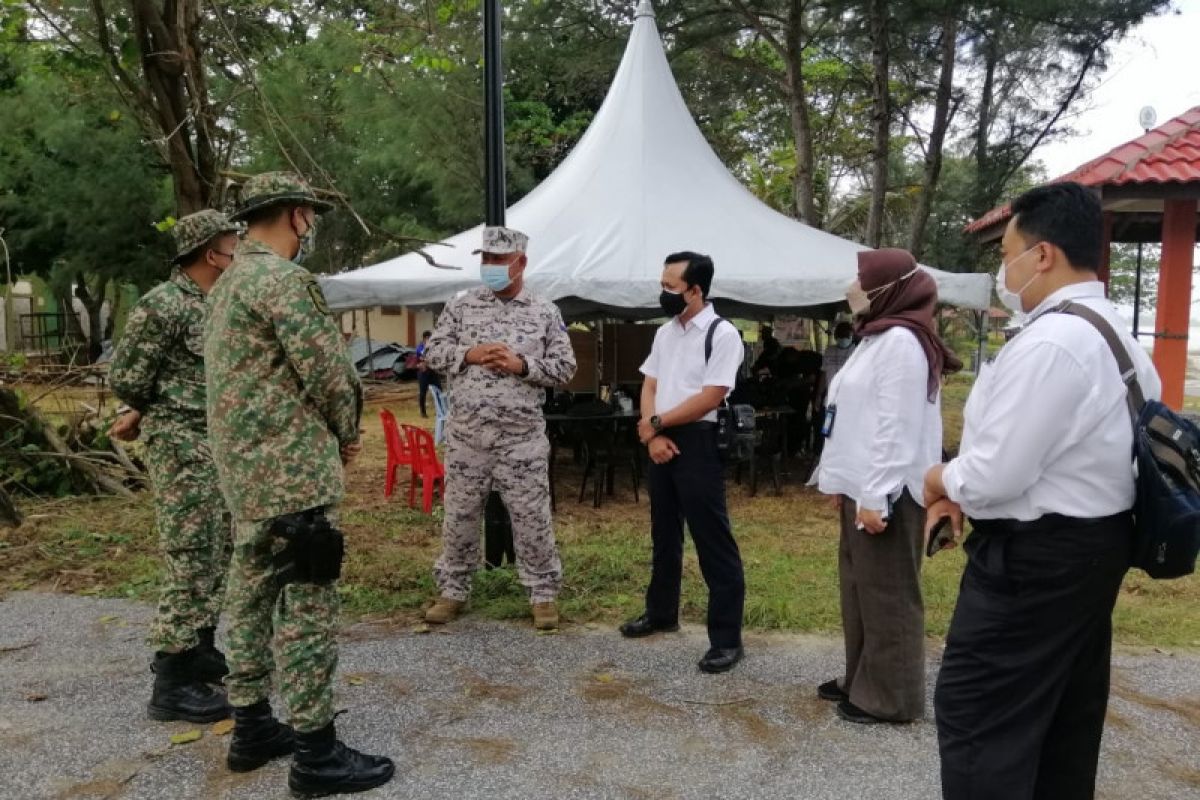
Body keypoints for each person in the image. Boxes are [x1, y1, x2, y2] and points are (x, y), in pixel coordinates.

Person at [923, 182, 1161, 800]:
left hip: (1035, 562)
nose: (1004, 268)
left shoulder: (1055, 342)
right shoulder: (1119, 337)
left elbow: (995, 476)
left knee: (980, 716)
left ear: (1043, 255)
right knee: (1061, 720)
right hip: (1093, 549)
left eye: (1007, 252)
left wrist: (940, 480)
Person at [205, 172, 393, 796]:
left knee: (250, 593)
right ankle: (316, 752)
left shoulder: (227, 283)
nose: (310, 225)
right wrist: (347, 431)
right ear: (295, 216)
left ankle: (252, 725)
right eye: (309, 215)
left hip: (244, 471)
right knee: (307, 603)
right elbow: (331, 374)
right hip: (291, 471)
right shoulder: (283, 281)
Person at [809, 248, 959, 724]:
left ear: (888, 288)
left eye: (861, 279)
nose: (852, 287)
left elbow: (894, 428)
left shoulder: (902, 342)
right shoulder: (876, 337)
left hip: (888, 492)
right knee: (860, 592)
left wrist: (874, 496)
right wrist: (839, 479)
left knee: (889, 595)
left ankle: (891, 697)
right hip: (863, 485)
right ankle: (862, 679)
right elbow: (851, 417)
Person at [108, 210, 239, 724]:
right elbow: (128, 376)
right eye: (232, 246)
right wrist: (148, 407)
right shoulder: (162, 306)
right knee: (190, 557)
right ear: (211, 253)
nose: (238, 254)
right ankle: (172, 680)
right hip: (181, 448)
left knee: (216, 549)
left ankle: (199, 648)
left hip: (215, 445)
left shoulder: (220, 302)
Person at [422, 225, 576, 630]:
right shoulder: (461, 306)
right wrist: (469, 353)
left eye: (499, 259)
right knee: (459, 515)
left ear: (520, 262)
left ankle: (543, 595)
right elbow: (432, 353)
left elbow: (565, 368)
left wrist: (522, 366)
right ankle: (452, 591)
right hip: (468, 436)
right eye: (486, 258)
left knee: (531, 518)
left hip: (520, 440)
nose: (490, 266)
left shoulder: (544, 312)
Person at [623, 251, 746, 674]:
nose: (664, 293)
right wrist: (652, 432)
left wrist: (656, 424)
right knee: (664, 533)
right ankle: (661, 612)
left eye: (671, 286)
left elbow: (712, 396)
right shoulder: (665, 333)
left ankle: (726, 639)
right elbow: (650, 382)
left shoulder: (722, 333)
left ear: (696, 290)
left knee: (713, 540)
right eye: (662, 284)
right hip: (661, 438)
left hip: (698, 440)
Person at [812, 321, 856, 457]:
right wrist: (819, 396)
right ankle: (828, 457)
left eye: (846, 335)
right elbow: (824, 374)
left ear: (851, 336)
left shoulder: (856, 351)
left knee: (845, 432)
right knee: (828, 430)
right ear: (836, 336)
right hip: (830, 400)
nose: (843, 338)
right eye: (840, 335)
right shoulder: (829, 350)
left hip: (849, 400)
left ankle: (844, 456)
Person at [415, 330, 441, 418]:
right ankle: (423, 412)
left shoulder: (434, 347)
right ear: (425, 338)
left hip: (433, 371)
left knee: (439, 390)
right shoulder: (420, 347)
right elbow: (424, 357)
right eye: (430, 338)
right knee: (423, 392)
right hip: (423, 373)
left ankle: (440, 410)